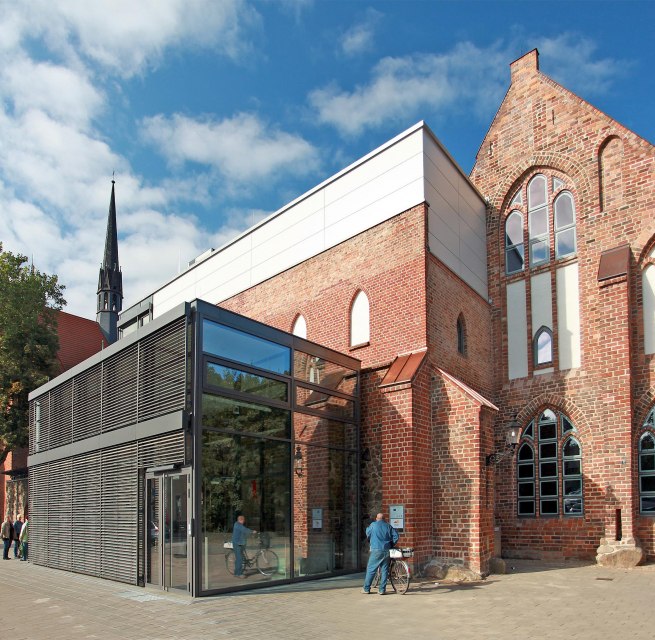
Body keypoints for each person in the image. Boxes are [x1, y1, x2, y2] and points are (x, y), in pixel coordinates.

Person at [362, 512, 399, 595]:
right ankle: (382, 590)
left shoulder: (373, 525)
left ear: (376, 518)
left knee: (371, 569)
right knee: (385, 570)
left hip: (376, 550)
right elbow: (396, 536)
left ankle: (366, 588)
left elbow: (368, 533)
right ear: (384, 519)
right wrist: (391, 544)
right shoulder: (388, 526)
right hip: (386, 550)